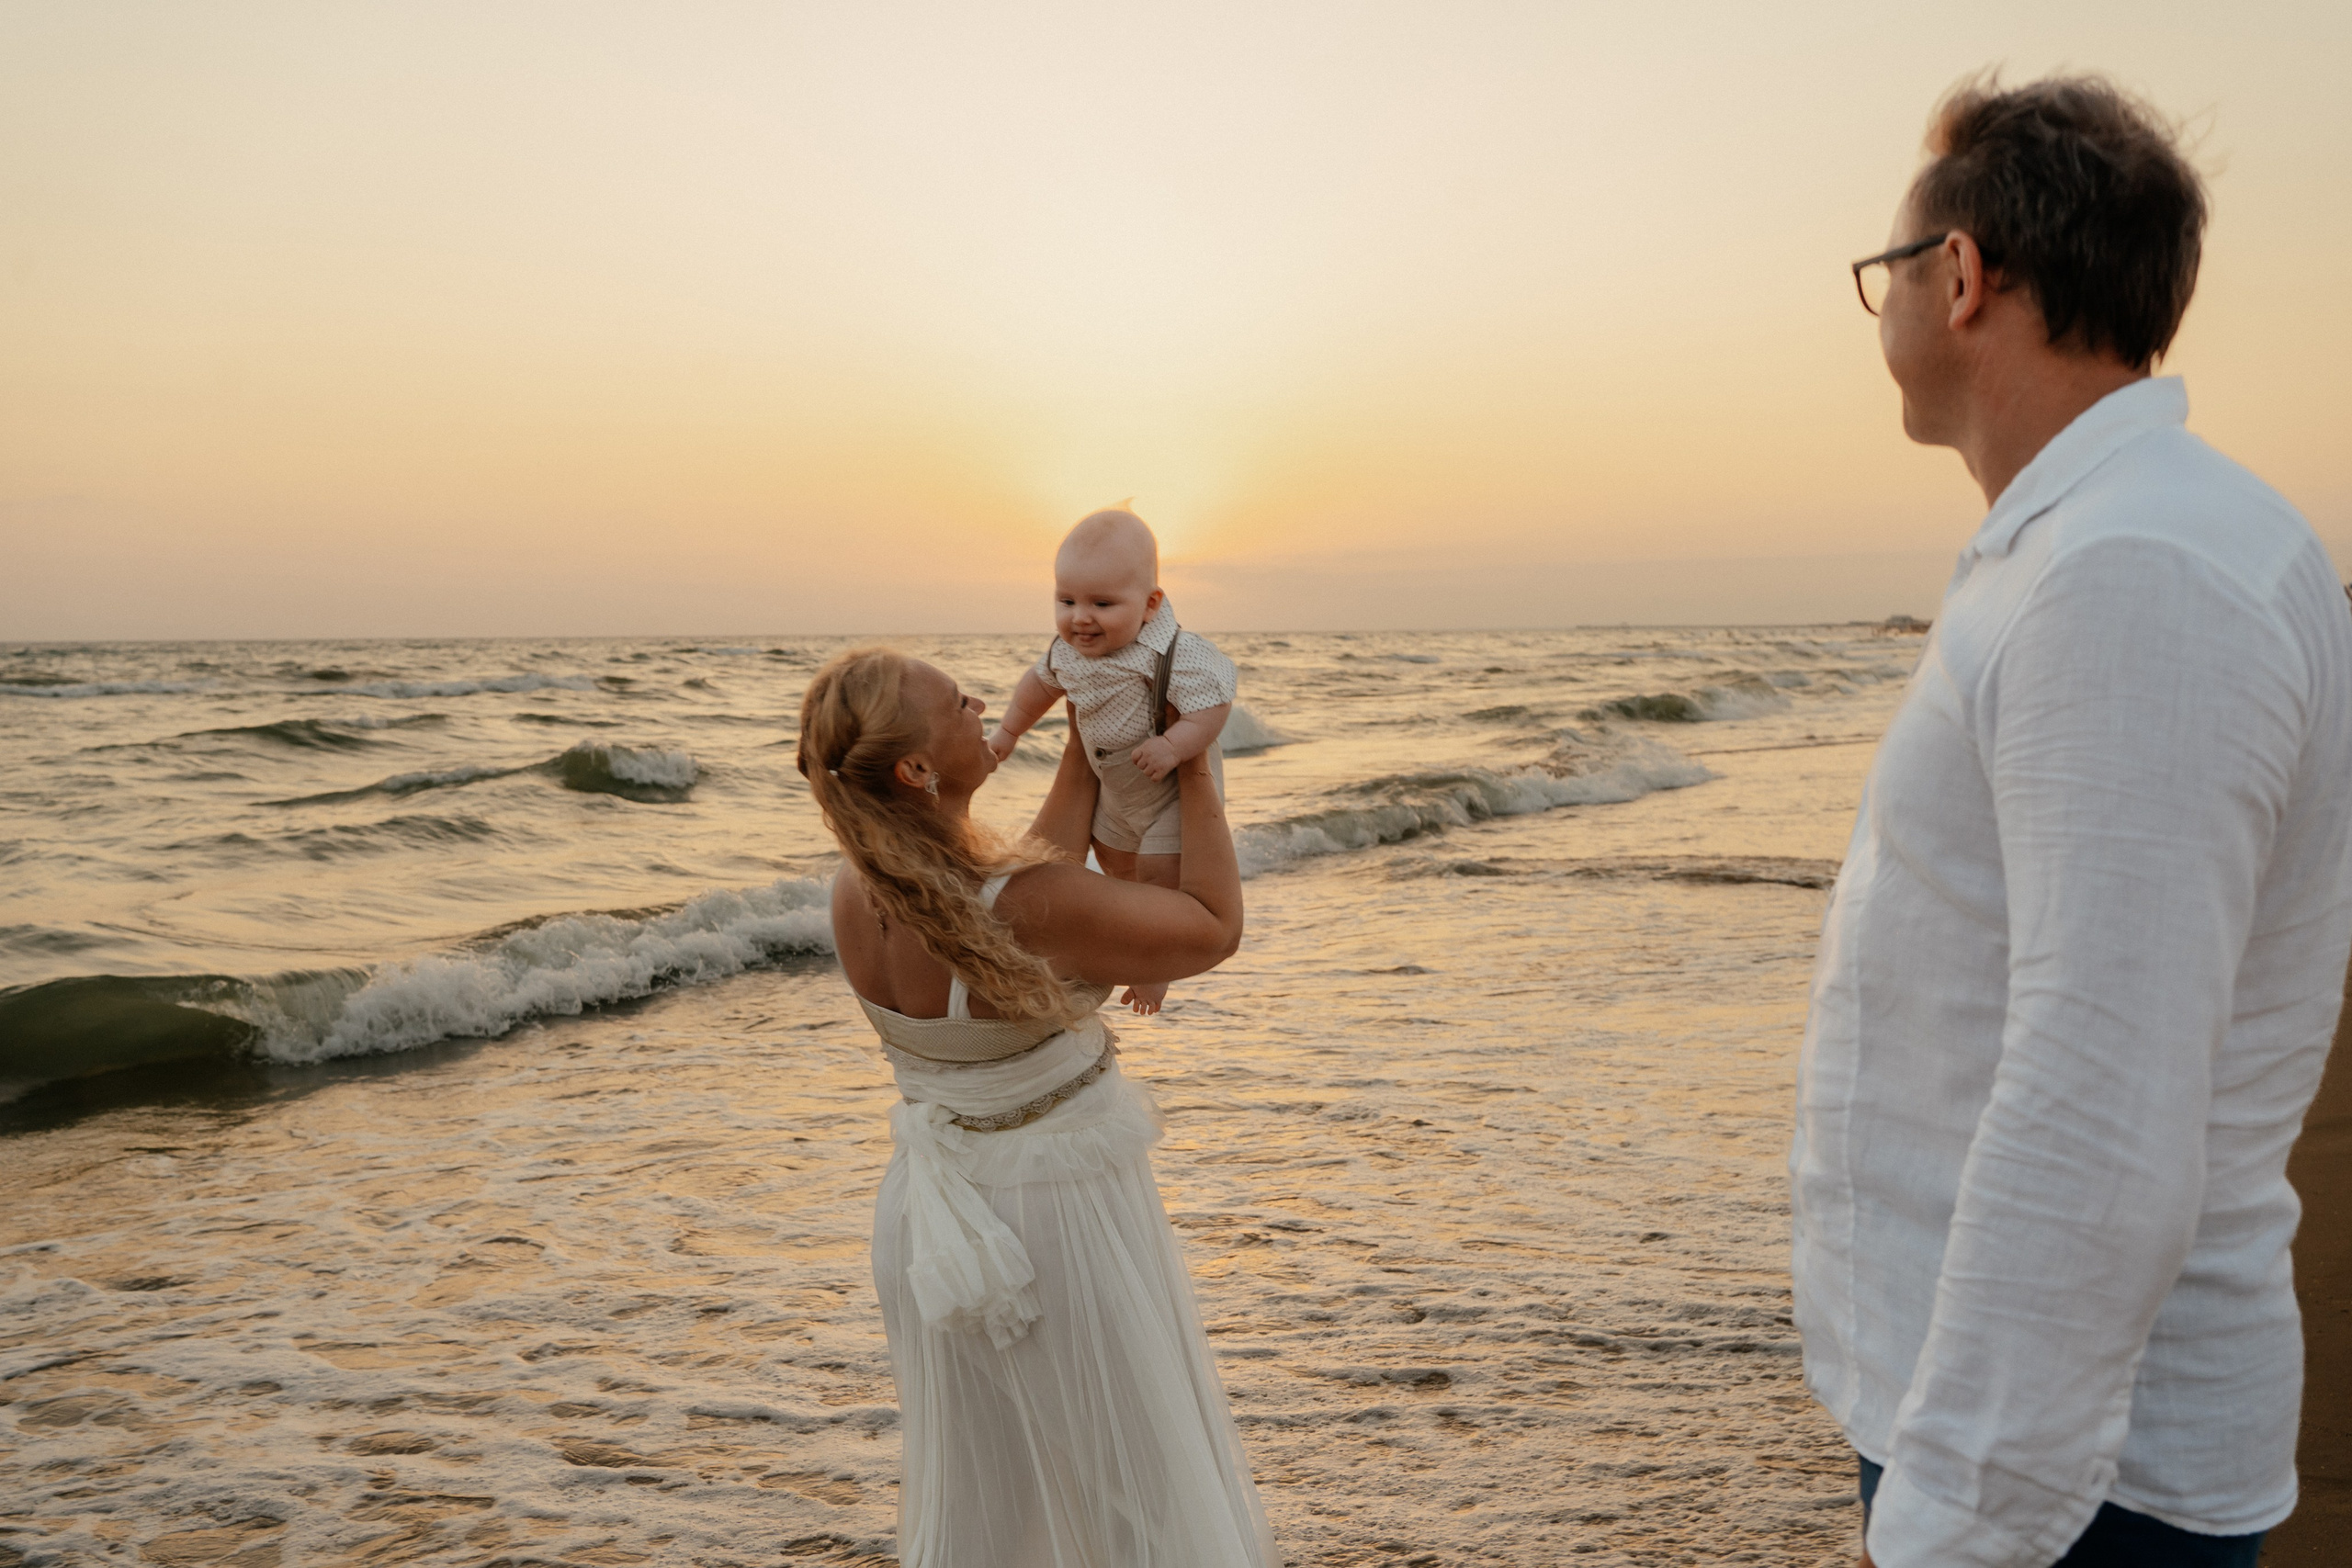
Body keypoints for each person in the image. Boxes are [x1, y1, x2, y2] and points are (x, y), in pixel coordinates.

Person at [1792, 74, 2352, 1568]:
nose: (1885, 309)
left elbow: (2099, 1098)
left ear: (1961, 275)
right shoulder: (2100, 542)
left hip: (2070, 1484)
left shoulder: (2134, 569)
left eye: (1886, 274)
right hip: (2032, 1440)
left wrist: (1954, 1526)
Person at [797, 647, 1276, 1568]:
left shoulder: (863, 890)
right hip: (1045, 1219)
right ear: (917, 769)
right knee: (1135, 1487)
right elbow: (1212, 928)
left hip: (932, 1219)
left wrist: (1090, 730)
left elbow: (1031, 871)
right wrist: (1195, 767)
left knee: (997, 1499)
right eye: (957, 703)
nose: (982, 701)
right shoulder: (1025, 906)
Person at [986, 508, 1237, 1014]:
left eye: (1102, 603)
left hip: (1169, 790)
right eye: (1067, 601)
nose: (1081, 617)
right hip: (1115, 786)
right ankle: (1125, 943)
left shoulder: (1175, 653)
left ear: (1150, 604)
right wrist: (1009, 730)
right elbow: (1038, 686)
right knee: (1116, 870)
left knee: (1160, 874)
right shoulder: (1068, 652)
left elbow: (1213, 705)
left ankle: (1156, 969)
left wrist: (1175, 745)